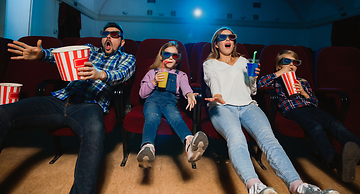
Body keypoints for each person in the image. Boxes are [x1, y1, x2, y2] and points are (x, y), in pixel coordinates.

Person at [0, 22, 136, 194]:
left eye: (115, 35)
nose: (108, 37)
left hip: (90, 106)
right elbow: (62, 56)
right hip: (60, 99)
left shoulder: (127, 58)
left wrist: (100, 74)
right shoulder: (89, 50)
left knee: (94, 134)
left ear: (122, 41)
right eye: (105, 34)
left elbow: (121, 74)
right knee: (4, 113)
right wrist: (41, 54)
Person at [203, 27, 339, 194]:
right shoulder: (210, 63)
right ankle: (255, 186)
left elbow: (252, 91)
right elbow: (213, 79)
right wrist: (216, 94)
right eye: (222, 37)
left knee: (270, 140)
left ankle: (298, 186)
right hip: (222, 106)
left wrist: (252, 78)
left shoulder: (245, 62)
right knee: (237, 137)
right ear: (216, 44)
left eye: (231, 36)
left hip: (248, 106)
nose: (227, 39)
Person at [258, 49, 360, 183]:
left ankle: (356, 150)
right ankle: (333, 161)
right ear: (278, 65)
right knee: (315, 127)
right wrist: (280, 73)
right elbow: (260, 84)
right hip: (293, 110)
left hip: (311, 108)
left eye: (295, 63)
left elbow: (314, 102)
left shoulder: (303, 81)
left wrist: (304, 93)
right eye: (286, 61)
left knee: (336, 125)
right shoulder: (275, 80)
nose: (291, 65)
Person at [136, 41, 208, 169]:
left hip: (170, 101)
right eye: (167, 54)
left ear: (178, 59)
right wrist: (153, 81)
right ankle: (148, 147)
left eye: (174, 56)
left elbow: (186, 87)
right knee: (152, 118)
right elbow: (142, 94)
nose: (170, 58)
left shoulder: (180, 75)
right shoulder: (152, 73)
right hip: (152, 100)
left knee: (176, 118)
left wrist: (190, 94)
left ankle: (190, 144)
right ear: (161, 56)